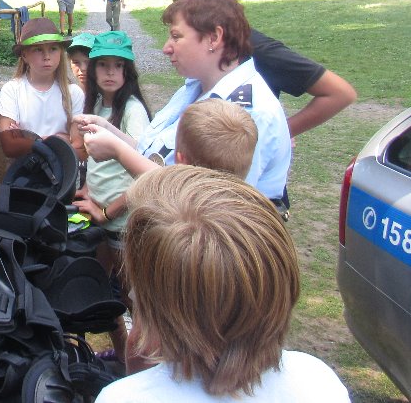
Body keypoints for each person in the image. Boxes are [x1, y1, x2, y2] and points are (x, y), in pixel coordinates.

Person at [94, 166, 350, 403]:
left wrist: (137, 372)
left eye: (137, 295)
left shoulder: (121, 397)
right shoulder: (318, 380)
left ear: (156, 312)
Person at [138, 0, 292, 202]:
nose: (166, 48)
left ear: (214, 38)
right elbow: (157, 152)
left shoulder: (247, 112)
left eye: (176, 37)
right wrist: (109, 133)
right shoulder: (194, 88)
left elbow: (215, 205)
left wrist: (117, 150)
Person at [173, 0, 356, 138]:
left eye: (192, 12)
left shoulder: (257, 48)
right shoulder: (197, 47)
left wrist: (281, 132)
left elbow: (340, 93)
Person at [72, 31, 151, 368]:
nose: (109, 72)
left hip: (122, 225)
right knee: (105, 296)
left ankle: (143, 367)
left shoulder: (132, 110)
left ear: (127, 71)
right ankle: (121, 359)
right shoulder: (96, 105)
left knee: (137, 302)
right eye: (102, 64)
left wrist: (107, 211)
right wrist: (88, 190)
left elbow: (142, 169)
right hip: (99, 221)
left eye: (117, 66)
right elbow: (95, 160)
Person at [81, 97, 258, 182]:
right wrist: (110, 129)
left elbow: (162, 182)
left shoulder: (179, 214)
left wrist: (117, 150)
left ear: (179, 159)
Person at [0, 17, 83, 142]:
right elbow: (8, 145)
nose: (47, 57)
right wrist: (62, 139)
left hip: (62, 162)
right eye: (38, 49)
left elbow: (78, 146)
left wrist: (26, 139)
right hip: (24, 162)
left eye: (53, 49)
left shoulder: (73, 93)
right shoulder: (12, 90)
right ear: (24, 55)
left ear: (60, 52)